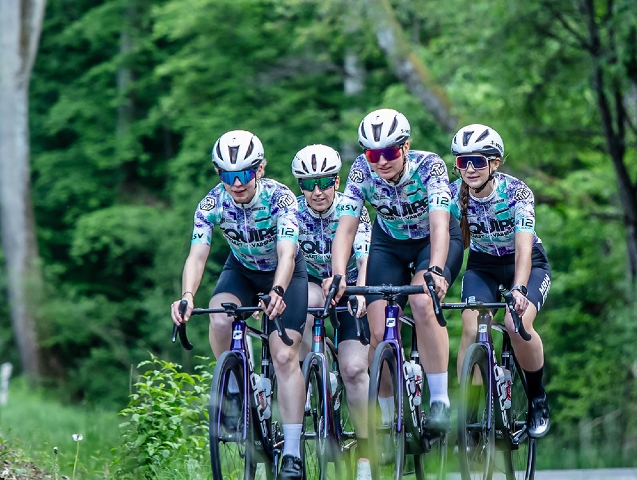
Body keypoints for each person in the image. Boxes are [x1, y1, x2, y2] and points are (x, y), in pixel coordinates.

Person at [170, 130, 313, 479]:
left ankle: (292, 454)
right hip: (243, 270)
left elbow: (287, 252)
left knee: (284, 356)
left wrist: (278, 290)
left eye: (245, 173)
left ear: (260, 169)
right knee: (219, 319)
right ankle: (237, 393)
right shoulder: (211, 204)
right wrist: (187, 296)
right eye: (227, 175)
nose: (236, 183)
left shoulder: (281, 199)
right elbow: (197, 256)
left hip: (285, 272)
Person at [328, 109, 463, 437]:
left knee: (422, 303)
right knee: (378, 333)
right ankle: (389, 418)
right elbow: (346, 229)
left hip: (432, 242)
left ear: (405, 147)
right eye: (373, 154)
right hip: (389, 244)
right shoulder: (361, 170)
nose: (381, 162)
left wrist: (436, 270)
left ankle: (440, 400)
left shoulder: (429, 166)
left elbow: (440, 223)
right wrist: (338, 274)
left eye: (388, 153)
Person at [448, 124, 552, 438]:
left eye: (477, 161)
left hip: (527, 263)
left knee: (515, 324)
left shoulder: (517, 193)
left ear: (494, 163)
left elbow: (524, 247)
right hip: (483, 266)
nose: (469, 169)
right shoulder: (451, 195)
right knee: (471, 328)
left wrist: (519, 288)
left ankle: (537, 398)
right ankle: (470, 411)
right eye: (462, 162)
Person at [290, 144, 378, 476]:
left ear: (337, 181)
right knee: (306, 301)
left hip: (351, 285)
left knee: (354, 369)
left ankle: (366, 454)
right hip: (313, 283)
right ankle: (312, 369)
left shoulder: (351, 208)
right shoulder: (292, 212)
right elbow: (280, 258)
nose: (317, 191)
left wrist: (362, 293)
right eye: (308, 184)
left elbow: (364, 256)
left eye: (325, 182)